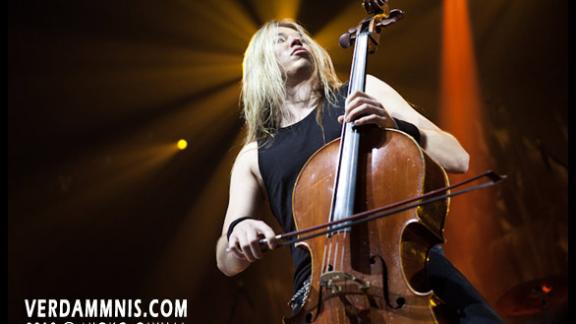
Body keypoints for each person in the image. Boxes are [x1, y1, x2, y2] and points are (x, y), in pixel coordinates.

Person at [215, 20, 503, 323]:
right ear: (260, 64)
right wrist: (239, 232)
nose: (296, 41)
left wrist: (395, 125)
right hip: (321, 296)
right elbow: (226, 261)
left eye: (299, 35)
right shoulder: (254, 155)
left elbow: (458, 158)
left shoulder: (362, 90)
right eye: (280, 39)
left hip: (403, 270)